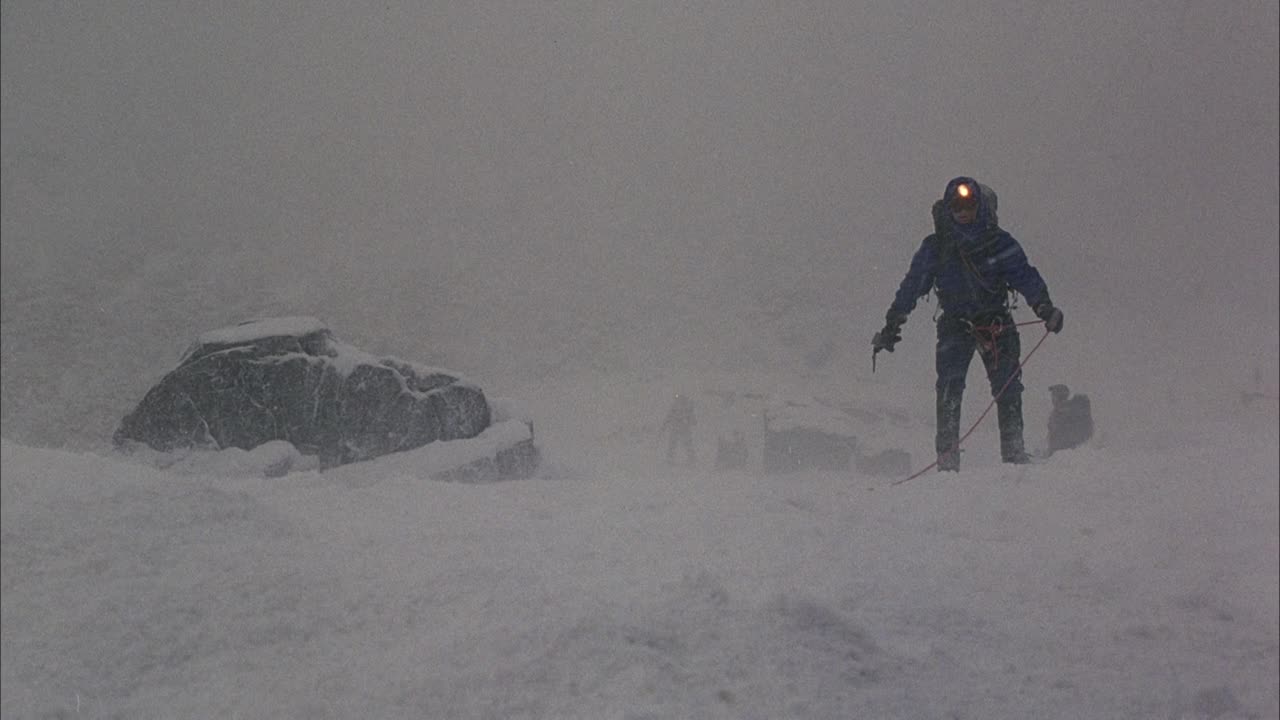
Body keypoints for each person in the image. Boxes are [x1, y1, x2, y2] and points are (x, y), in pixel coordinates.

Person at [872, 177, 1064, 471]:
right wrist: (892, 323)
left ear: (980, 206)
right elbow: (912, 286)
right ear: (948, 208)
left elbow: (1024, 276)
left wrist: (1044, 306)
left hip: (995, 323)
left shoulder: (999, 243)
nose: (963, 211)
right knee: (949, 390)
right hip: (956, 326)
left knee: (1008, 388)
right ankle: (948, 462)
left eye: (969, 205)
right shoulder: (937, 247)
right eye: (957, 206)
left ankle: (1013, 456)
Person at [1046, 384, 1093, 456]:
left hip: (1064, 452)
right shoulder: (1074, 409)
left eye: (1053, 395)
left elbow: (1057, 436)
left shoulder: (1061, 413)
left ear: (1058, 397)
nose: (1052, 399)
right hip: (1075, 450)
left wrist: (1050, 453)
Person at [660, 392, 697, 466]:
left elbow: (692, 419)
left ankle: (691, 459)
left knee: (684, 444)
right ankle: (690, 459)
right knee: (676, 444)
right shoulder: (679, 407)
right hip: (679, 428)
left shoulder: (685, 407)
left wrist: (664, 426)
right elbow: (669, 417)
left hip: (681, 428)